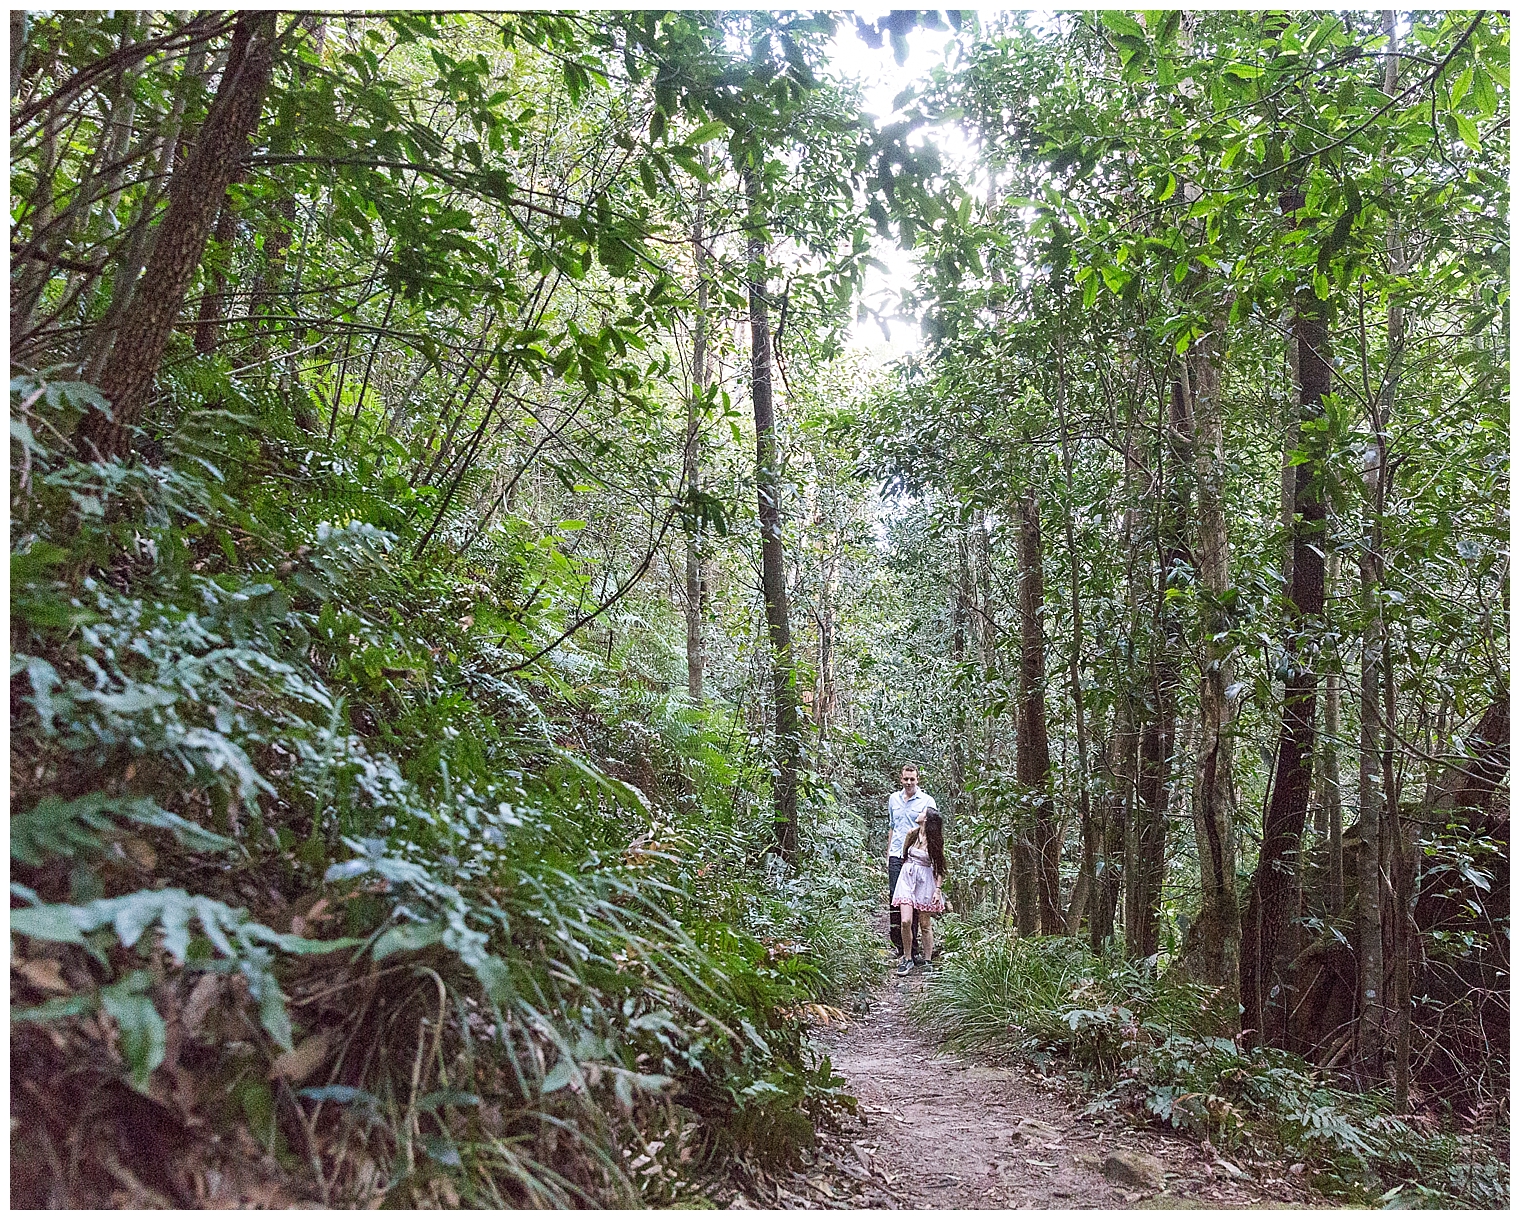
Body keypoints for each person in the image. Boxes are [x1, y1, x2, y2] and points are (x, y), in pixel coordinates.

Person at [891, 803, 946, 976]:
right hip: (907, 877)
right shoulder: (912, 834)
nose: (919, 813)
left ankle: (928, 960)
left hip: (925, 880)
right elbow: (904, 855)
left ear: (927, 819)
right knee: (905, 921)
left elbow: (940, 868)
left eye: (923, 812)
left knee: (924, 923)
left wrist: (937, 890)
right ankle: (908, 958)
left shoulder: (935, 842)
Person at [886, 763, 934, 959]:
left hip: (916, 858)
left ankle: (913, 950)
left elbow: (933, 830)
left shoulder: (926, 801)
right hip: (897, 855)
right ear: (900, 779)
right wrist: (888, 853)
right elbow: (892, 826)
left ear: (918, 779)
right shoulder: (893, 799)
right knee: (895, 899)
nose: (908, 782)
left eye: (912, 779)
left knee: (912, 901)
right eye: (905, 779)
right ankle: (898, 944)